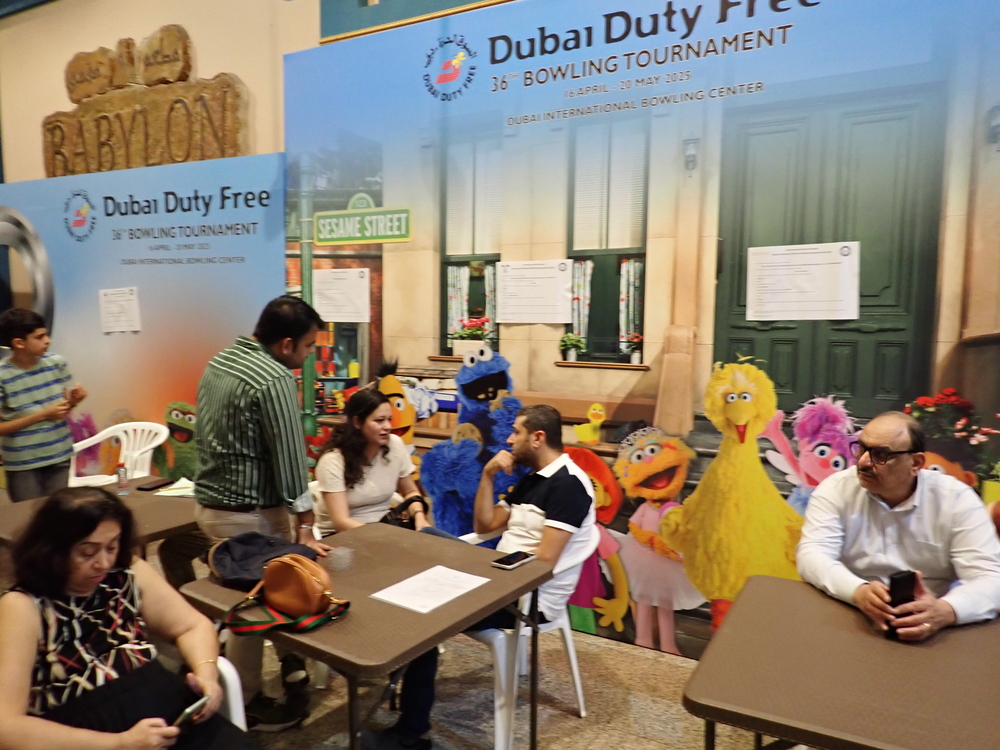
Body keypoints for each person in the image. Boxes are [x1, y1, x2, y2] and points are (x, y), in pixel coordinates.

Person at [363, 404, 596, 750]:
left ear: (538, 438)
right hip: (498, 577)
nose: (509, 439)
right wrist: (488, 474)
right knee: (425, 542)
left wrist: (482, 571)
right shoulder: (534, 478)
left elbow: (545, 561)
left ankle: (411, 734)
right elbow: (484, 525)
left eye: (516, 432)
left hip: (526, 597)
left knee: (424, 617)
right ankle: (392, 673)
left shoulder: (569, 486)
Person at [0, 487, 258, 750]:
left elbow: (192, 626)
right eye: (87, 552)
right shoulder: (23, 606)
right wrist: (119, 743)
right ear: (53, 550)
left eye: (112, 547)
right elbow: (6, 726)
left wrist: (206, 674)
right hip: (86, 736)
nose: (103, 563)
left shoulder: (126, 574)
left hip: (168, 713)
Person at [176, 295, 331, 731]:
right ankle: (245, 703)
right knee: (252, 610)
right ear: (286, 344)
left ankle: (289, 664)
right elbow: (289, 454)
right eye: (307, 347)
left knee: (252, 598)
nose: (308, 357)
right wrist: (305, 524)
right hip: (249, 515)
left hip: (212, 506)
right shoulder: (273, 377)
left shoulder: (222, 360)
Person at [797, 411, 1000, 642]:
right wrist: (857, 590)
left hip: (930, 626)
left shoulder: (956, 499)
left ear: (916, 463)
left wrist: (946, 610)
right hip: (847, 615)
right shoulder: (836, 489)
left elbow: (991, 579)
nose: (863, 462)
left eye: (880, 454)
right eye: (861, 449)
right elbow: (812, 555)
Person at [0, 308, 87, 503]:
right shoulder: (3, 375)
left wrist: (73, 401)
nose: (48, 340)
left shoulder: (56, 363)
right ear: (19, 343)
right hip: (23, 463)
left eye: (46, 334)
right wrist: (43, 414)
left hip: (59, 454)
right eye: (40, 337)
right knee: (27, 516)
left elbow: (61, 411)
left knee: (57, 514)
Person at [314, 388, 429, 535]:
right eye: (379, 420)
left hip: (385, 527)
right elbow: (341, 522)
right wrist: (386, 537)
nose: (388, 426)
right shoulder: (333, 461)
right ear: (357, 422)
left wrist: (419, 517)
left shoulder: (394, 444)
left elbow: (410, 492)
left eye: (389, 419)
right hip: (342, 536)